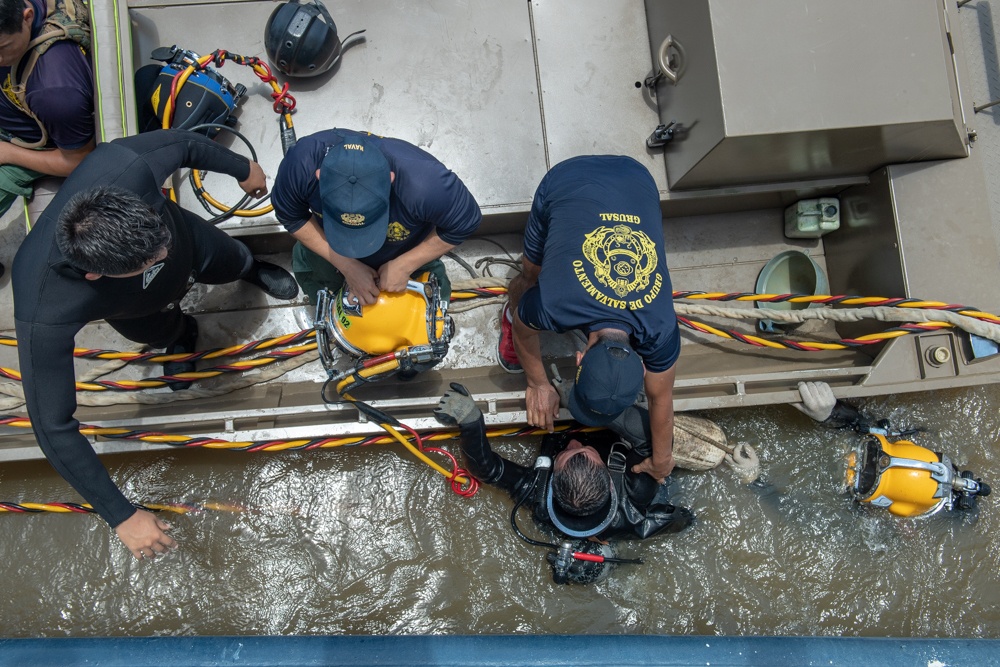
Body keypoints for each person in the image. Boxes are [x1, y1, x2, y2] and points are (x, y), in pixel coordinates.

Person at [12, 129, 299, 561]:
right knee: (158, 331)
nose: (160, 252)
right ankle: (178, 337)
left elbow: (183, 144)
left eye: (156, 242)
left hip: (193, 242)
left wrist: (243, 169)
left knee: (227, 259)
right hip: (135, 309)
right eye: (151, 258)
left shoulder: (122, 165)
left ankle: (249, 268)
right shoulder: (43, 306)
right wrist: (121, 514)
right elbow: (51, 424)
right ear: (94, 274)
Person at [499, 155, 680, 483]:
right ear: (579, 358)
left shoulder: (662, 327)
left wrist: (662, 461)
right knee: (528, 277)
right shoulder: (555, 304)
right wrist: (537, 384)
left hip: (639, 176)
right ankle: (506, 314)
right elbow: (526, 332)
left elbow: (661, 397)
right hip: (565, 178)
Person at [434, 382, 694, 543]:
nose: (574, 443)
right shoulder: (638, 490)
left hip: (614, 522)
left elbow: (486, 469)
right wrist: (582, 402)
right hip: (619, 519)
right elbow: (655, 434)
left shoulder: (539, 497)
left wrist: (469, 421)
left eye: (575, 452)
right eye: (576, 450)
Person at [270, 128, 482, 305]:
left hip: (402, 249)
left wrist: (405, 264)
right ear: (319, 176)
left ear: (390, 179)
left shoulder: (425, 185)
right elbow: (290, 215)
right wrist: (346, 264)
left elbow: (466, 221)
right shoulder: (301, 164)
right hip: (330, 247)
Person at [0, 0, 95, 211]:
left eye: (2, 48)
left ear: (27, 17)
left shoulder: (55, 93)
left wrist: (7, 153)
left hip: (26, 143)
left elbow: (79, 160)